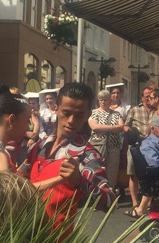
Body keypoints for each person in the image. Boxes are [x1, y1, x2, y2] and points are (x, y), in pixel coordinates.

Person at [19, 82, 113, 234]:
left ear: (88, 115)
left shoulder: (86, 155)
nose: (71, 120)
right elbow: (18, 179)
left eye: (79, 115)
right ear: (56, 108)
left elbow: (109, 201)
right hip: (23, 234)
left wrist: (79, 181)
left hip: (55, 242)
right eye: (67, 113)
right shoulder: (39, 147)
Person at [124, 84, 155, 209]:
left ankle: (148, 202)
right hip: (136, 144)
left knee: (150, 173)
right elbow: (125, 126)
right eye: (146, 96)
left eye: (150, 96)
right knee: (133, 174)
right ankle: (134, 202)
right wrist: (132, 134)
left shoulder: (157, 110)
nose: (148, 98)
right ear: (142, 97)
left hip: (151, 145)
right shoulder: (135, 109)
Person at [88, 88, 123, 189]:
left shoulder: (116, 114)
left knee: (112, 174)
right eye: (101, 100)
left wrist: (103, 128)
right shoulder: (94, 113)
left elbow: (121, 127)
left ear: (110, 100)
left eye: (105, 99)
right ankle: (97, 193)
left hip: (113, 147)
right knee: (97, 171)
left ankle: (110, 193)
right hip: (98, 146)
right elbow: (94, 127)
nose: (103, 102)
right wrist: (113, 128)